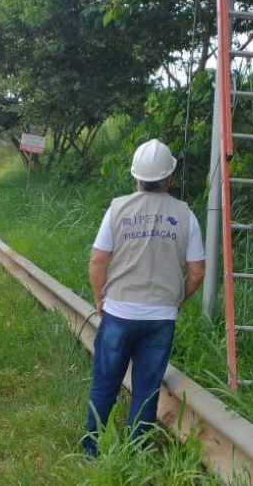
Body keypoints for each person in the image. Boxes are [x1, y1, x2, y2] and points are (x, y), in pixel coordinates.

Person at [81, 139, 206, 456]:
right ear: (169, 178)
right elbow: (197, 272)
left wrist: (100, 299)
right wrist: (177, 300)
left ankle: (91, 448)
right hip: (160, 318)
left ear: (135, 176)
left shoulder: (118, 208)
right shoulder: (185, 215)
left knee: (104, 385)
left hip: (118, 313)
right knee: (146, 390)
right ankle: (136, 452)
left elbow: (97, 261)